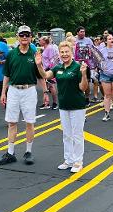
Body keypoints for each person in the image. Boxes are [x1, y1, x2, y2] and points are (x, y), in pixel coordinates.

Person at [35, 41, 88, 173]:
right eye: (62, 52)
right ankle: (68, 160)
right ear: (59, 53)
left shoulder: (77, 67)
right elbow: (45, 75)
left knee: (77, 134)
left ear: (71, 52)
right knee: (66, 134)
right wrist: (39, 65)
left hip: (77, 106)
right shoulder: (57, 67)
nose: (64, 54)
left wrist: (84, 74)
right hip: (63, 106)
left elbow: (83, 87)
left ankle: (78, 161)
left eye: (66, 52)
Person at [0, 25, 40, 166]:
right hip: (14, 90)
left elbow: (41, 75)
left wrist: (45, 92)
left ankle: (28, 152)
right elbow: (7, 75)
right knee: (12, 122)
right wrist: (3, 92)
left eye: (27, 34)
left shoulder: (34, 53)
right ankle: (10, 153)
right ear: (18, 37)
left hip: (29, 90)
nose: (25, 37)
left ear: (31, 37)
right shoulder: (12, 54)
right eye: (22, 35)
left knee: (29, 122)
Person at [74, 26, 93, 107]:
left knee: (87, 81)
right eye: (81, 32)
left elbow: (93, 50)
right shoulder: (74, 40)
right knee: (76, 81)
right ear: (77, 32)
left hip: (86, 64)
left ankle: (87, 98)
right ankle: (78, 97)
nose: (83, 33)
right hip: (76, 64)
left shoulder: (88, 40)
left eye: (84, 32)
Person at [38, 36, 59, 110]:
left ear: (44, 41)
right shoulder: (45, 48)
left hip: (49, 70)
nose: (38, 41)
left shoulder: (50, 48)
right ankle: (46, 103)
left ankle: (55, 103)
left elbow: (52, 60)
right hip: (45, 70)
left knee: (51, 86)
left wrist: (49, 70)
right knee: (46, 87)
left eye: (40, 40)